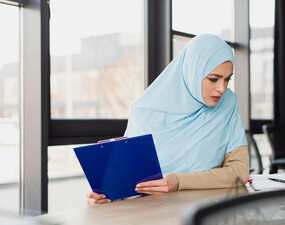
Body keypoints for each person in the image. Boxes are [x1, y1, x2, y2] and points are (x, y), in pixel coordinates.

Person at [87, 34, 249, 205]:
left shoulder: (228, 103)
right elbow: (129, 179)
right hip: (154, 210)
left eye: (227, 79)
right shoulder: (143, 110)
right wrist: (104, 196)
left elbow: (239, 171)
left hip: (209, 207)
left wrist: (179, 181)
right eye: (214, 79)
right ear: (192, 71)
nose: (221, 88)